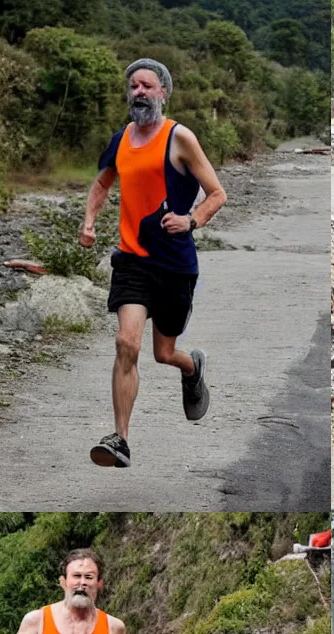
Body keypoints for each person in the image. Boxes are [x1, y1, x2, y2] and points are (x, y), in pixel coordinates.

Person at [78, 58, 227, 468]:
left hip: (175, 265)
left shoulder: (180, 138)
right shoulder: (121, 139)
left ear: (163, 92)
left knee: (164, 352)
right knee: (127, 343)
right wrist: (89, 221)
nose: (139, 92)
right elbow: (102, 182)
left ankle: (191, 365)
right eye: (133, 86)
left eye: (147, 85)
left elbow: (217, 193)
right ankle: (120, 440)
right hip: (132, 260)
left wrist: (190, 220)